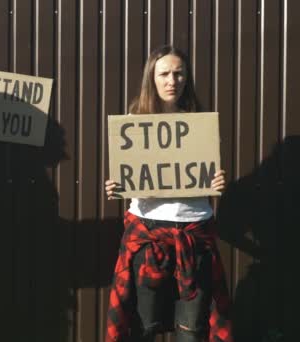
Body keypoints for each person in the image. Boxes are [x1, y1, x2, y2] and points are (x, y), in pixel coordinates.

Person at [104, 46, 233, 342]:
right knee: (144, 326)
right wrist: (117, 187)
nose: (172, 80)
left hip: (195, 234)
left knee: (192, 330)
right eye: (164, 74)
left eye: (178, 73)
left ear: (186, 78)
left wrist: (217, 182)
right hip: (147, 235)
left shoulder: (200, 124)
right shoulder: (133, 123)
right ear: (152, 77)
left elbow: (203, 173)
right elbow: (130, 177)